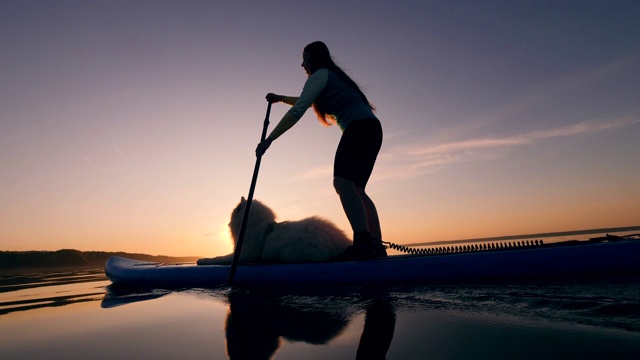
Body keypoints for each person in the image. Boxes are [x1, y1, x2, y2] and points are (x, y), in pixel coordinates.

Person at [256, 41, 385, 260]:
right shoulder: (332, 76)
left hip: (359, 129)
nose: (302, 64)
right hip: (371, 129)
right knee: (357, 189)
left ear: (313, 58)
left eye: (304, 58)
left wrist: (269, 140)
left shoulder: (320, 75)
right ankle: (376, 246)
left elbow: (299, 111)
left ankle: (363, 244)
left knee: (343, 184)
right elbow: (306, 101)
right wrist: (280, 99)